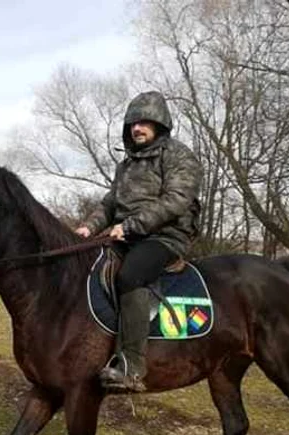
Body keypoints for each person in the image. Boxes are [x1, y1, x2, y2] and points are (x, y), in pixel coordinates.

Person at [75, 91, 203, 393]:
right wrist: (87, 228)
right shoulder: (127, 164)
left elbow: (177, 199)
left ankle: (132, 367)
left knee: (131, 275)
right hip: (126, 234)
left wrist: (130, 226)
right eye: (133, 122)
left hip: (165, 236)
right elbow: (109, 204)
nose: (137, 128)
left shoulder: (178, 155)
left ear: (160, 124)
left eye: (145, 122)